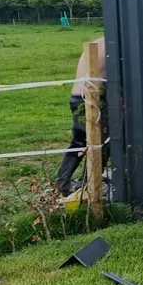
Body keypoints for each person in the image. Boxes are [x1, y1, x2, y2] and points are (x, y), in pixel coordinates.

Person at [55, 37, 108, 196]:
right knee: (103, 143)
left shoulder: (98, 42)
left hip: (76, 97)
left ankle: (62, 182)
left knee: (79, 141)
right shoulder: (112, 45)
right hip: (90, 100)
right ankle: (88, 183)